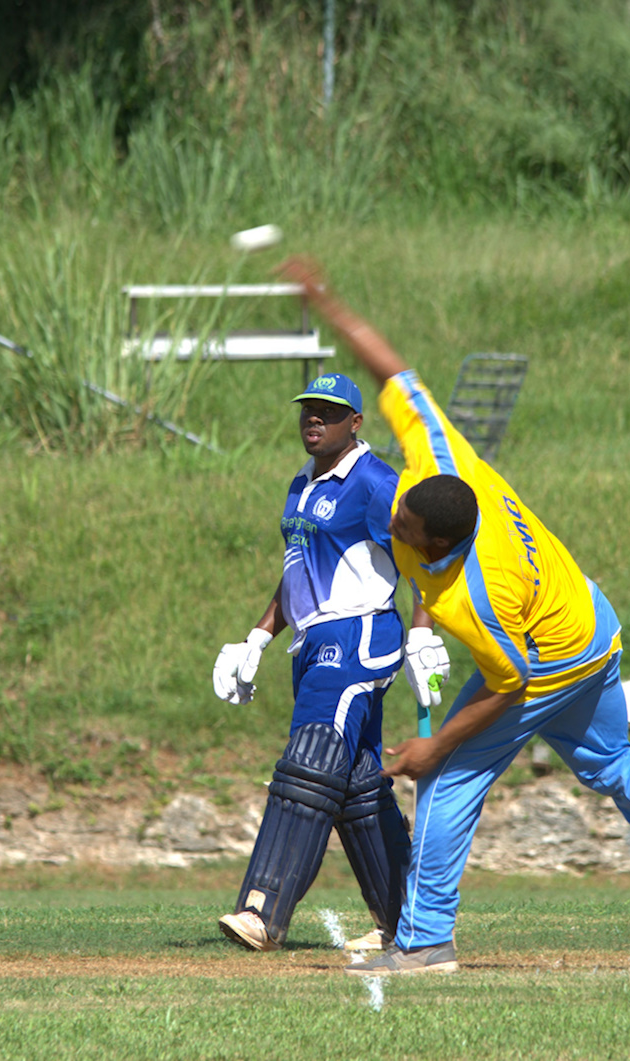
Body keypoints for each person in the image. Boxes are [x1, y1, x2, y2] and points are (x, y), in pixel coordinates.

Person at [273, 258, 630, 977]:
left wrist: (436, 748)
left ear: (438, 547)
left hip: (543, 655)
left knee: (451, 780)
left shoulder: (476, 595)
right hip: (596, 624)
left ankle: (428, 939)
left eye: (399, 526)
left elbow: (510, 681)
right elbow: (393, 372)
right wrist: (327, 302)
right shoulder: (439, 459)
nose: (389, 517)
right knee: (613, 762)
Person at [211, 373, 450, 953]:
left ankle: (262, 909)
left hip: (359, 635)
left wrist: (422, 632)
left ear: (356, 423)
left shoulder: (374, 482)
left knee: (309, 763)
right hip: (313, 642)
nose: (314, 419)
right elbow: (298, 567)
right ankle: (406, 921)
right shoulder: (301, 482)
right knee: (357, 785)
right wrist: (258, 638)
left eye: (330, 412)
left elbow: (429, 553)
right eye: (308, 410)